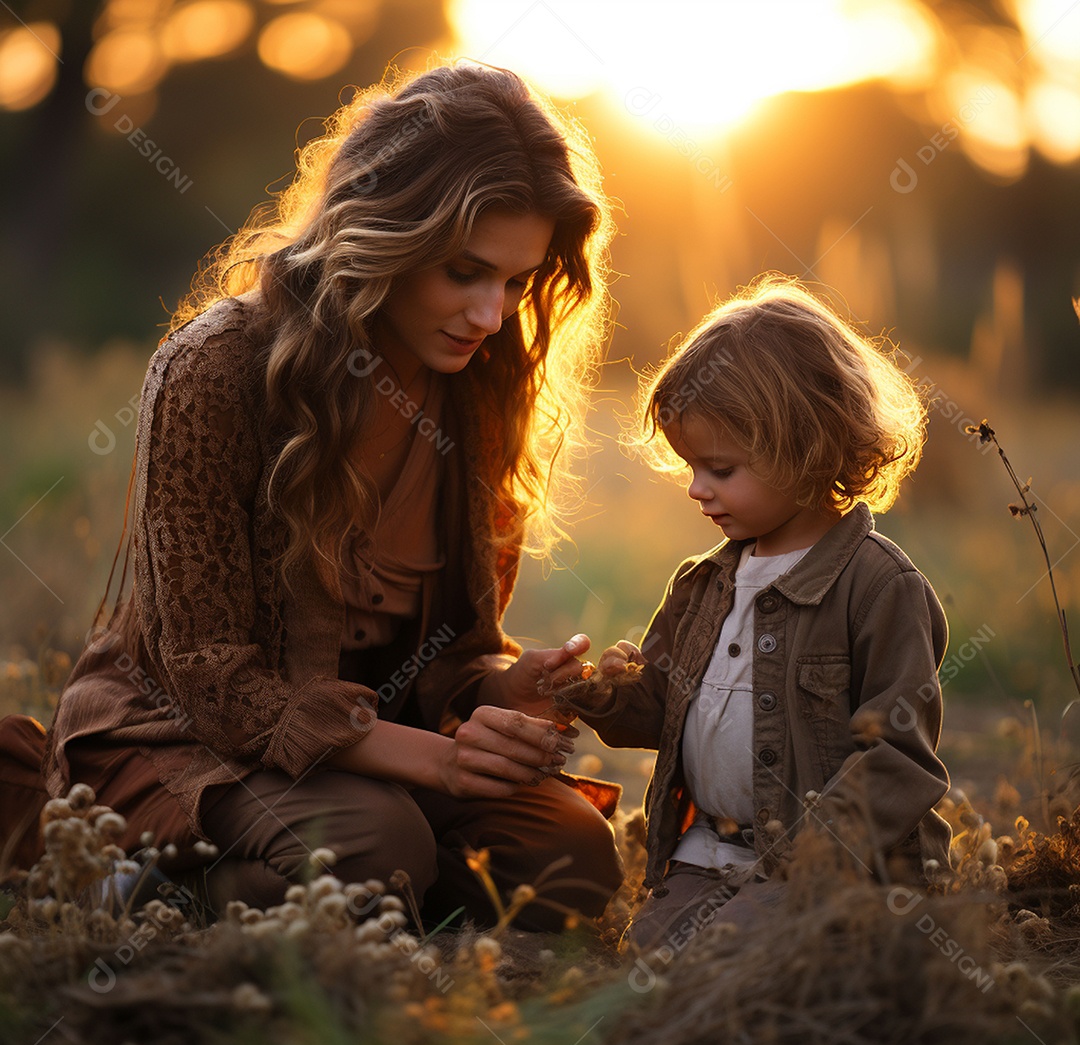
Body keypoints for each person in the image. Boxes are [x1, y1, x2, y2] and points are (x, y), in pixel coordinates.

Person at [21, 62, 624, 929]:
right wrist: (440, 768)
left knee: (569, 857)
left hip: (382, 754)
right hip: (195, 738)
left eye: (518, 282)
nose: (493, 314)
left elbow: (450, 659)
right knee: (377, 849)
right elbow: (211, 680)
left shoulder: (483, 388)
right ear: (383, 232)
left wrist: (502, 693)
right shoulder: (215, 371)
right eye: (465, 271)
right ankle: (144, 886)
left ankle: (378, 896)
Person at [557, 276, 951, 950]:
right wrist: (602, 689)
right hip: (707, 852)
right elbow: (658, 713)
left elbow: (898, 760)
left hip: (827, 870)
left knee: (730, 961)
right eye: (690, 466)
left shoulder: (878, 587)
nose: (694, 488)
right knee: (648, 958)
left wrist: (813, 860)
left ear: (808, 448)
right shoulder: (701, 585)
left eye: (719, 468)